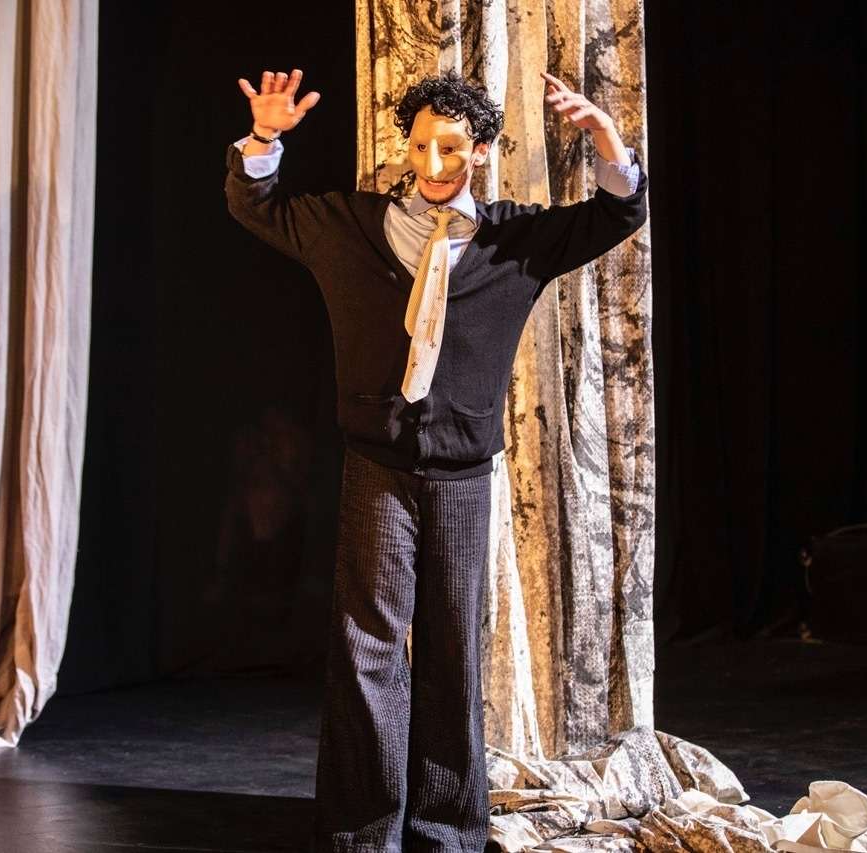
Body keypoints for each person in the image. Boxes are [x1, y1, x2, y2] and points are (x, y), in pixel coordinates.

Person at [224, 66, 648, 853]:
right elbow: (259, 206)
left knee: (453, 650)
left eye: (450, 148)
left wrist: (604, 137)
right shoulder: (352, 227)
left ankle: (446, 831)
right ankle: (363, 832)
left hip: (461, 476)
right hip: (376, 465)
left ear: (480, 150)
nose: (432, 163)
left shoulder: (515, 241)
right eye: (420, 146)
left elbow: (619, 212)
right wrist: (264, 138)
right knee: (368, 649)